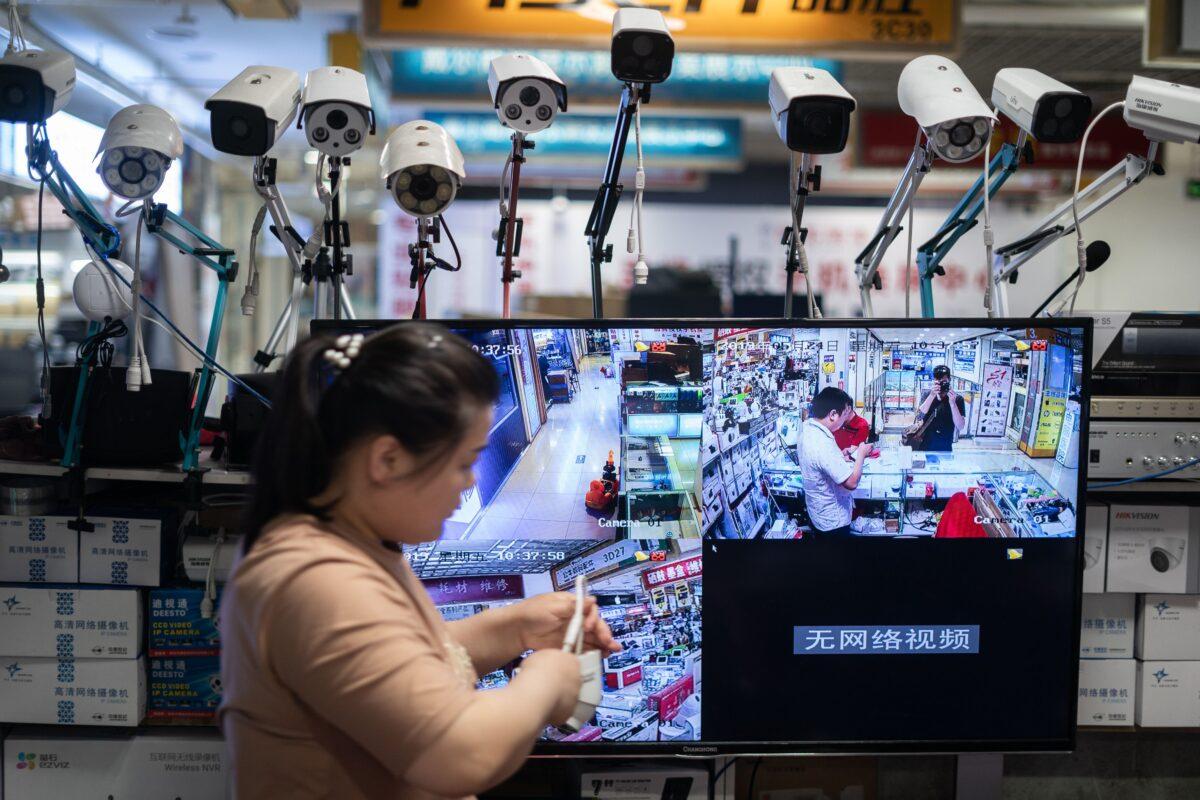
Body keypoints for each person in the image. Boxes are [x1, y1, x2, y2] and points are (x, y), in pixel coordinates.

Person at [220, 323, 621, 800]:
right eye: (463, 461)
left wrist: (516, 627)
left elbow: (393, 664)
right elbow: (461, 754)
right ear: (387, 459)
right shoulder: (316, 580)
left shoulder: (354, 543)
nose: (470, 482)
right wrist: (550, 679)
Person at [799, 387, 872, 536]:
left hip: (817, 512)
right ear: (833, 414)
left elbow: (821, 463)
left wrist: (839, 456)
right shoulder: (823, 443)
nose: (844, 422)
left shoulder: (806, 428)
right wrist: (861, 455)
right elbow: (851, 483)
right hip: (833, 521)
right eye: (844, 417)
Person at [916, 365, 967, 452]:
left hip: (945, 447)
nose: (941, 385)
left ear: (949, 381)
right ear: (934, 381)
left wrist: (953, 404)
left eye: (944, 382)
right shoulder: (927, 394)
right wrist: (932, 395)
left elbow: (960, 426)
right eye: (937, 382)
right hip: (925, 445)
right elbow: (919, 416)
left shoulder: (957, 399)